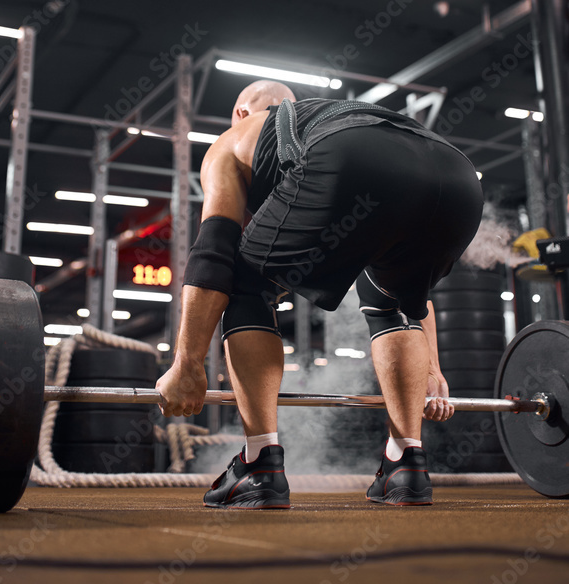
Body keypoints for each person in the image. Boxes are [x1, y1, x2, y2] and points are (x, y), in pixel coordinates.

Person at [156, 80, 484, 508]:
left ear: (241, 114)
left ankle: (260, 465)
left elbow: (212, 255)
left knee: (245, 283)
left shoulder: (235, 138)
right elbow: (415, 298)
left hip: (351, 159)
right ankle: (406, 464)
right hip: (458, 178)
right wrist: (433, 370)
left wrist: (187, 364)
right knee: (389, 295)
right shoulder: (340, 113)